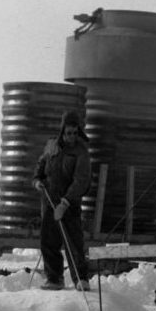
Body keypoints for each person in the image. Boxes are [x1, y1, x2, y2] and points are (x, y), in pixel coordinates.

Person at [32, 109, 91, 291]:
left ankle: (80, 279)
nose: (71, 136)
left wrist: (65, 203)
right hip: (49, 200)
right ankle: (54, 278)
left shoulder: (81, 153)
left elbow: (81, 180)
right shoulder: (52, 147)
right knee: (48, 241)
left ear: (78, 132)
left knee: (73, 242)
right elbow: (40, 169)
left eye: (74, 133)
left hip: (69, 205)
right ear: (62, 131)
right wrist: (37, 182)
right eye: (67, 133)